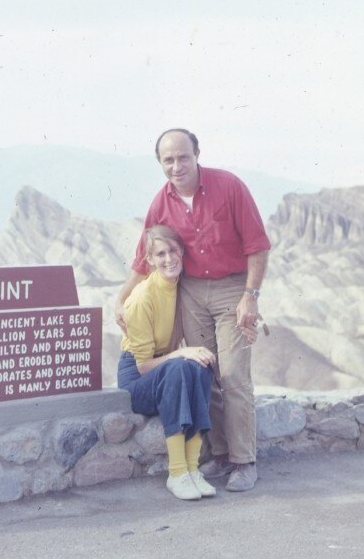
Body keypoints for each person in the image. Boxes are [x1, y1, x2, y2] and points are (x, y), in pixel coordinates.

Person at [116, 128, 270, 492]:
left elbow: (258, 246)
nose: (176, 165)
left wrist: (251, 295)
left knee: (233, 376)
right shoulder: (160, 203)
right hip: (191, 292)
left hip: (231, 287)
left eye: (183, 157)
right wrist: (121, 299)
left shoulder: (229, 187)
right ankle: (219, 455)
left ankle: (243, 461)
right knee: (207, 370)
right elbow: (144, 257)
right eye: (168, 160)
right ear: (160, 163)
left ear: (197, 154)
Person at [117, 224, 218, 500]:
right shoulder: (141, 298)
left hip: (166, 369)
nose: (168, 259)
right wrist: (180, 353)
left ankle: (192, 469)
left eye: (173, 250)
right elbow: (143, 366)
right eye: (160, 254)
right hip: (138, 380)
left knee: (201, 364)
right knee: (179, 365)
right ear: (149, 260)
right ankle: (177, 472)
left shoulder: (179, 287)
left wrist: (186, 356)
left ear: (182, 252)